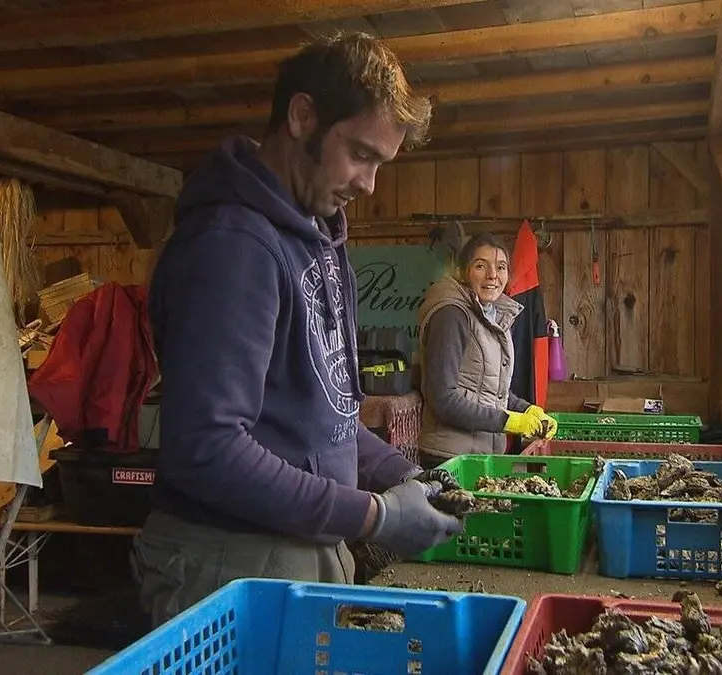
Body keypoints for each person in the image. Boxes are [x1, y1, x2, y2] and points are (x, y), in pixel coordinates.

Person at [132, 32, 463, 628]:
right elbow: (206, 449)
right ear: (303, 116)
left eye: (379, 164)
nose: (368, 184)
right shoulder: (233, 245)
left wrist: (403, 474)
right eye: (360, 154)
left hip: (301, 549)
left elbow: (325, 420)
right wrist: (375, 518)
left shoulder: (316, 236)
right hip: (229, 563)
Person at [416, 233, 559, 469]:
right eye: (481, 266)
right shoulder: (451, 315)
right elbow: (443, 399)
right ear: (464, 271)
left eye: (501, 267)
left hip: (480, 455)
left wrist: (527, 410)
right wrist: (509, 421)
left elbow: (489, 390)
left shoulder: (487, 314)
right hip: (450, 458)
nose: (493, 275)